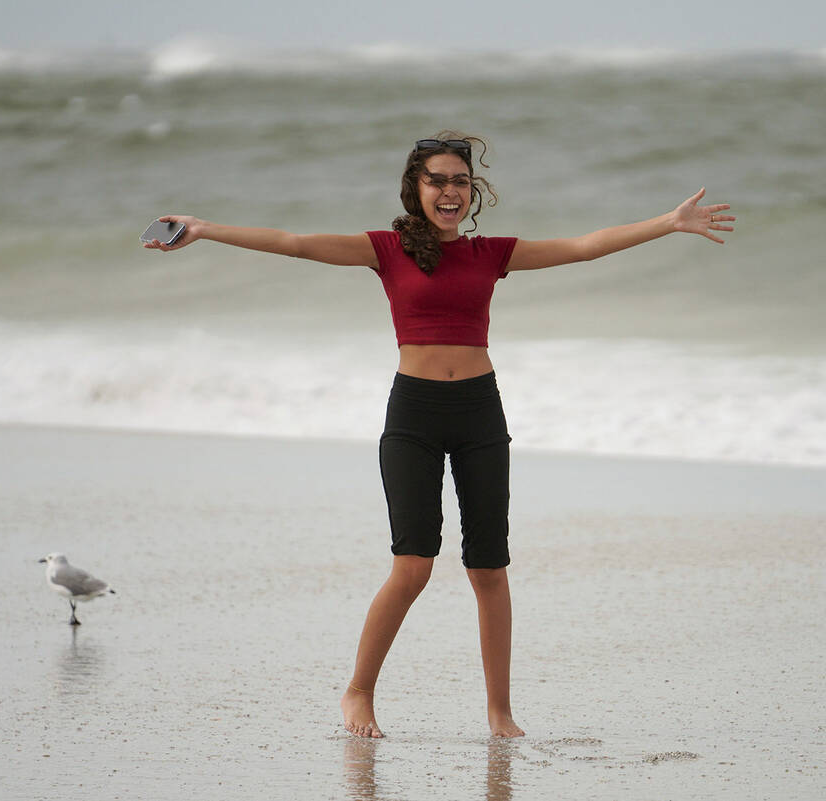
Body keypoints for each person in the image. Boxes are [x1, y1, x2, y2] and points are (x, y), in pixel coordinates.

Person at [141, 131, 734, 739]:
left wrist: (670, 221)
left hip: (480, 412)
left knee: (489, 569)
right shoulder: (386, 250)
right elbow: (295, 243)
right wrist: (206, 228)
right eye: (437, 180)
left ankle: (500, 712)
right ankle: (358, 692)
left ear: (471, 191)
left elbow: (583, 247)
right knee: (413, 564)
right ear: (415, 188)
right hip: (414, 416)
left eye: (459, 181)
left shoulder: (491, 255)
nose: (449, 191)